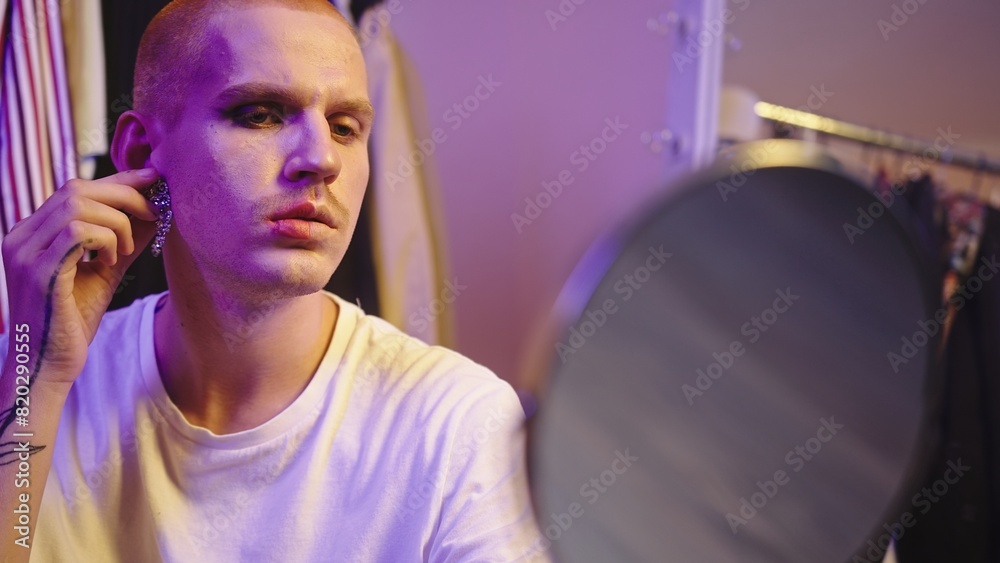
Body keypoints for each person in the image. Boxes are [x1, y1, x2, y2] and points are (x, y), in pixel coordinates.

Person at [0, 0, 546, 560]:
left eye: (344, 127)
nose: (320, 159)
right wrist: (34, 376)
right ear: (142, 152)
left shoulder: (460, 426)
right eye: (261, 113)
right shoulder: (28, 378)